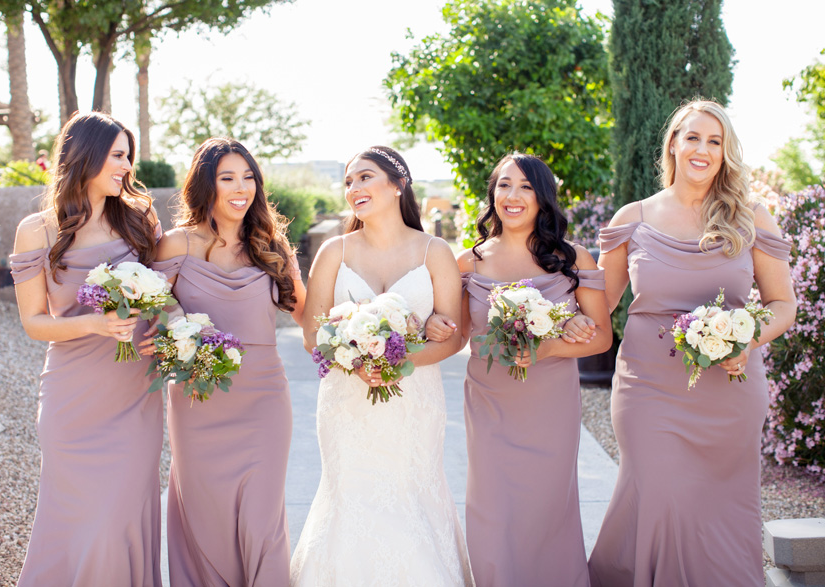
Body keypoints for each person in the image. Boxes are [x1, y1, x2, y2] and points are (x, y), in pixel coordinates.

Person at [586, 99, 796, 586]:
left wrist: (748, 338)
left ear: (725, 152)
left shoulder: (751, 217)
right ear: (673, 145)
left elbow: (783, 304)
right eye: (693, 137)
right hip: (649, 387)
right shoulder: (633, 218)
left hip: (730, 391)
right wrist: (537, 310)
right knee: (657, 494)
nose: (703, 149)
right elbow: (599, 306)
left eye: (715, 141)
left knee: (722, 509)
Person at [289, 146, 474, 586]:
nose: (354, 187)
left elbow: (453, 336)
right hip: (346, 402)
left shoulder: (435, 251)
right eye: (348, 181)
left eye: (365, 177)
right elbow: (312, 334)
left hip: (414, 402)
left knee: (412, 494)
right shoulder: (334, 251)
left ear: (397, 185)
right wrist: (354, 360)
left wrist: (400, 360)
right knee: (349, 495)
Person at [426, 153, 611, 586]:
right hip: (489, 402)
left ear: (543, 197)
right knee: (493, 506)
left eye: (526, 187)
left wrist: (549, 348)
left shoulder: (574, 259)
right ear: (492, 194)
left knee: (547, 506)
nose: (513, 195)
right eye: (504, 185)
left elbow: (602, 338)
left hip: (550, 404)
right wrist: (432, 325)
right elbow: (457, 334)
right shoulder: (467, 263)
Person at [9, 112, 163, 586]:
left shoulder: (140, 219)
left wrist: (165, 325)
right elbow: (34, 322)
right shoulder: (37, 230)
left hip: (134, 396)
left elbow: (168, 292)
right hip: (72, 398)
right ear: (87, 155)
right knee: (79, 520)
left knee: (118, 519)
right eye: (117, 155)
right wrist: (96, 323)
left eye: (128, 156)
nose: (127, 166)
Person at [145, 138, 305, 586]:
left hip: (264, 399)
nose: (241, 188)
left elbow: (309, 314)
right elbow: (152, 306)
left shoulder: (271, 245)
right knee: (206, 516)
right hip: (199, 400)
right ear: (205, 184)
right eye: (228, 177)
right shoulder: (175, 244)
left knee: (261, 518)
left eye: (249, 177)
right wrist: (178, 324)